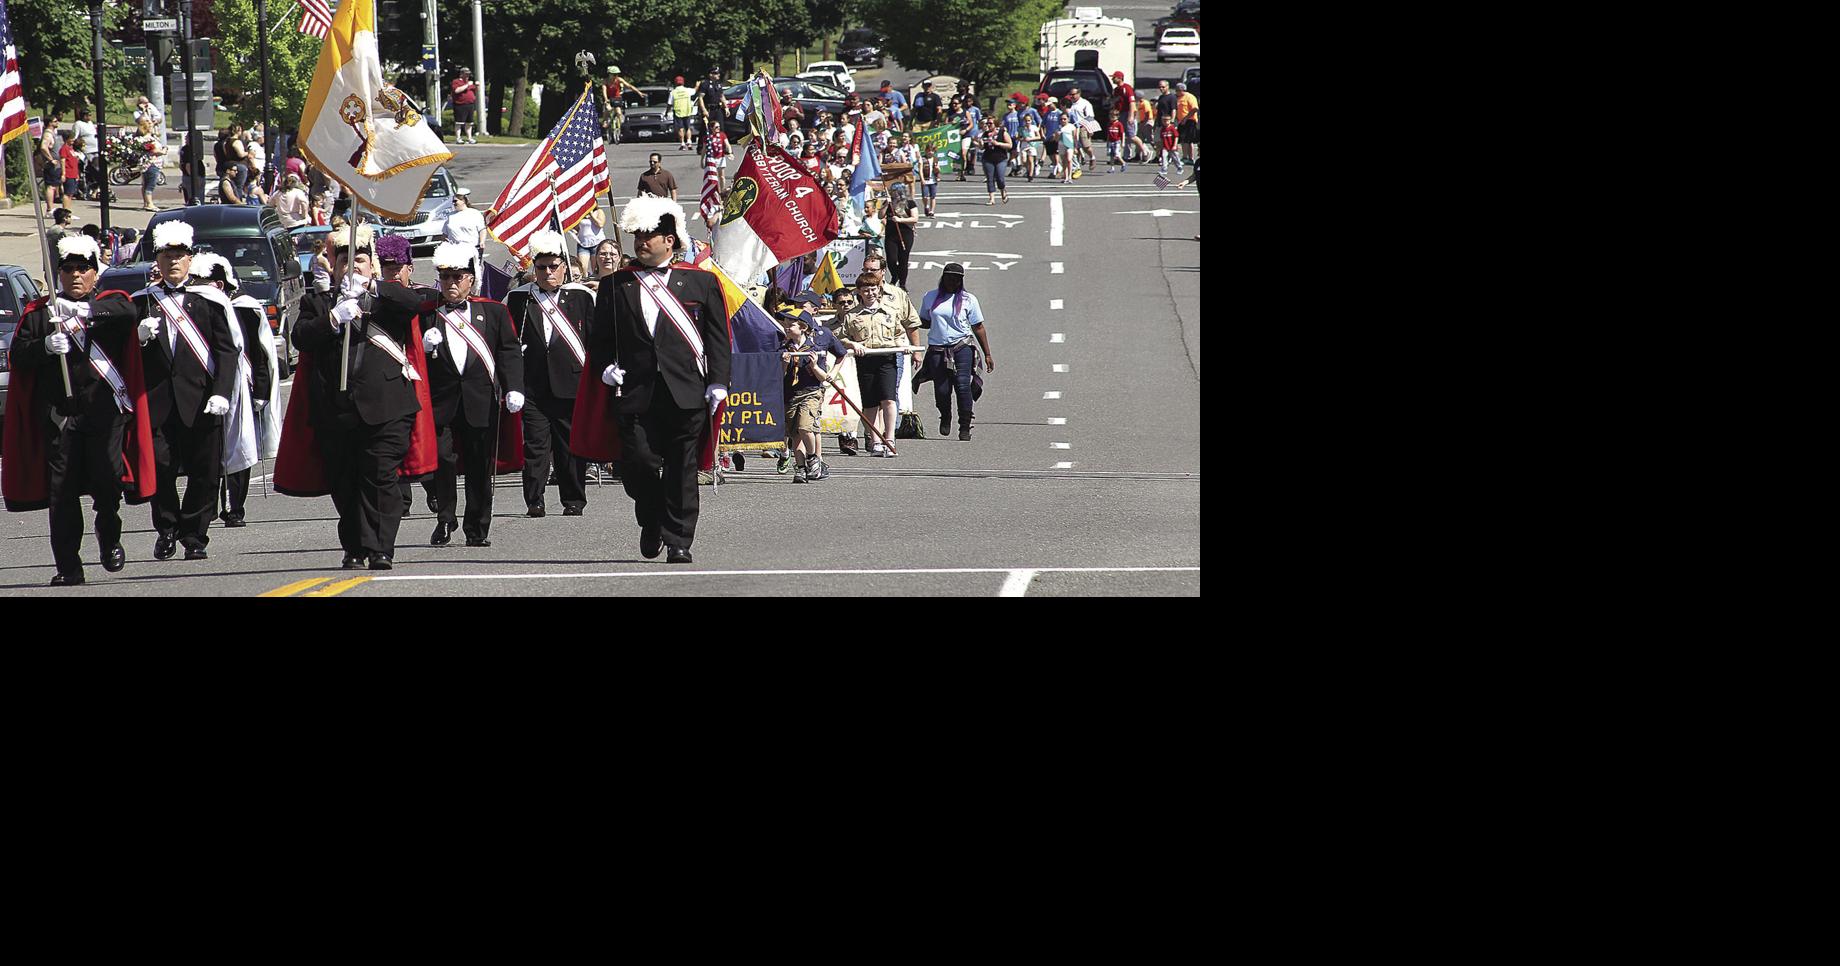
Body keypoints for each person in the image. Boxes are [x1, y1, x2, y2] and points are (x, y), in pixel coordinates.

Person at [575, 195, 731, 564]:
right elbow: (600, 342)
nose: (642, 242)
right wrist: (605, 368)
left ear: (670, 240)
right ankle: (651, 517)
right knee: (637, 463)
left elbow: (718, 338)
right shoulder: (616, 286)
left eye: (650, 235)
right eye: (638, 235)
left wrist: (718, 380)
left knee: (681, 468)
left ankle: (679, 539)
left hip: (686, 390)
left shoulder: (701, 283)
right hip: (635, 391)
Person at [0, 235, 155, 585]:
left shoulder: (109, 305)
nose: (74, 275)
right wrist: (43, 346)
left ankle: (109, 536)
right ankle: (68, 566)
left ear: (94, 274)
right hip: (60, 414)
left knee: (107, 483)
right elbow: (20, 356)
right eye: (67, 269)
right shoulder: (42, 314)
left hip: (104, 412)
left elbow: (126, 312)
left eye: (82, 269)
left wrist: (82, 312)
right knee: (63, 493)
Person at [281, 225, 438, 569]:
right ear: (333, 268)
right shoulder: (317, 302)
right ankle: (354, 546)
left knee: (380, 477)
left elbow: (417, 304)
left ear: (372, 266)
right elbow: (302, 337)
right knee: (345, 482)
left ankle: (381, 547)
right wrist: (333, 319)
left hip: (387, 407)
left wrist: (372, 288)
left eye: (361, 261)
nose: (352, 268)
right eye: (344, 263)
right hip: (335, 409)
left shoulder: (388, 300)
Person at [132, 221, 240, 562]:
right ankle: (166, 527)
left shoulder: (208, 300)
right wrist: (139, 339)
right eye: (167, 256)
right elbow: (123, 356)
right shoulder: (143, 302)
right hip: (159, 401)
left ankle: (195, 535)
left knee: (204, 472)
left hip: (201, 399)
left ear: (190, 260)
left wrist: (222, 392)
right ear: (158, 261)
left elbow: (227, 350)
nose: (173, 262)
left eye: (179, 256)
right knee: (161, 467)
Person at [422, 243, 524, 547]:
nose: (451, 283)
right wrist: (425, 347)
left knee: (480, 467)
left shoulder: (493, 311)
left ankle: (477, 528)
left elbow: (508, 351)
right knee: (442, 460)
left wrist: (514, 387)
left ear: (471, 279)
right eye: (445, 277)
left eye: (457, 276)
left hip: (480, 400)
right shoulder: (428, 315)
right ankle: (445, 518)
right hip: (442, 402)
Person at [505, 230, 592, 517]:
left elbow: (593, 340)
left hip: (571, 381)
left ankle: (573, 499)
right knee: (536, 446)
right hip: (533, 385)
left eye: (553, 266)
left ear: (564, 267)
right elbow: (507, 342)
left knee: (570, 446)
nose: (547, 272)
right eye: (541, 267)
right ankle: (535, 500)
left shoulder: (581, 297)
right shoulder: (518, 299)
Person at [190, 254, 275, 529]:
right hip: (208, 387)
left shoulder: (245, 308)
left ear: (218, 284)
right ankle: (208, 506)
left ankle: (235, 507)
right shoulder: (193, 306)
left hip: (243, 386)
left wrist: (261, 390)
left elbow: (260, 353)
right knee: (210, 450)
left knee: (240, 446)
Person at [836, 271, 922, 456]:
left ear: (879, 290)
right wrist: (853, 344)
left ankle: (889, 439)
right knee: (870, 403)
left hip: (886, 359)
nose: (870, 293)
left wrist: (904, 345)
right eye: (865, 290)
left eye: (873, 289)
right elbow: (841, 338)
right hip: (866, 360)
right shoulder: (852, 316)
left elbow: (899, 334)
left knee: (889, 399)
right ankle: (875, 441)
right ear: (859, 292)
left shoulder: (890, 313)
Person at [914, 262, 994, 440]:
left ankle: (965, 425)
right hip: (937, 348)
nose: (952, 281)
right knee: (942, 389)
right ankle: (945, 416)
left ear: (961, 281)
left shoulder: (968, 299)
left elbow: (978, 327)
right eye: (949, 277)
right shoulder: (930, 297)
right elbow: (925, 321)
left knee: (962, 385)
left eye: (957, 279)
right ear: (943, 277)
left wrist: (987, 354)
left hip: (962, 346)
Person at [777, 307, 847, 482]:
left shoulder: (814, 347)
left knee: (805, 426)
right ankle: (800, 467)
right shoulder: (784, 347)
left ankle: (813, 458)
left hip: (811, 392)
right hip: (790, 393)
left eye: (790, 324)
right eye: (785, 324)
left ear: (802, 327)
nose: (786, 327)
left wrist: (816, 366)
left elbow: (828, 371)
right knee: (795, 433)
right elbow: (779, 377)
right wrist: (784, 364)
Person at [440, 188, 487, 276]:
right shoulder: (451, 216)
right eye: (453, 201)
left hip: (472, 249)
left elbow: (482, 229)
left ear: (463, 201)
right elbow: (444, 234)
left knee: (471, 273)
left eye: (455, 201)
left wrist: (482, 241)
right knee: (457, 273)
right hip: (455, 249)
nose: (454, 203)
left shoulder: (474, 214)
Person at [882, 184, 919, 288]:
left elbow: (914, 218)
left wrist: (900, 220)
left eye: (894, 191)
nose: (893, 193)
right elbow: (880, 215)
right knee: (891, 259)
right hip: (891, 235)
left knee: (903, 260)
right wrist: (886, 204)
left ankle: (902, 283)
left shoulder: (910, 203)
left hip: (905, 234)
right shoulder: (888, 203)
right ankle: (895, 276)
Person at [979, 118, 1013, 205]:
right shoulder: (985, 134)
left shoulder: (1002, 133)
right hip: (988, 158)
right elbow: (982, 147)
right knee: (990, 178)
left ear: (996, 124)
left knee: (1000, 178)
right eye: (987, 123)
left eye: (990, 123)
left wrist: (998, 144)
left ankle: (1003, 191)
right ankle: (991, 199)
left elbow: (1009, 145)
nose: (988, 125)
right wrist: (980, 143)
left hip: (1000, 158)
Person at [137, 119, 167, 212]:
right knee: (150, 184)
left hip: (149, 164)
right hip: (151, 163)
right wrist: (163, 151)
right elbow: (153, 150)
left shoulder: (149, 137)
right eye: (150, 125)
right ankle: (149, 203)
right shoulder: (147, 138)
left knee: (145, 184)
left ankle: (146, 203)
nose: (152, 126)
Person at [1063, 88, 1096, 171]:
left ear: (1079, 94)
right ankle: (1076, 166)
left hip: (1082, 127)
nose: (1072, 96)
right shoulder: (1069, 103)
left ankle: (1092, 157)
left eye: (1073, 94)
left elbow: (1090, 116)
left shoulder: (1085, 103)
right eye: (1070, 94)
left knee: (1086, 146)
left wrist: (1090, 128)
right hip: (1071, 128)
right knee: (1074, 147)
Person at [572, 207, 607, 279]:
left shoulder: (598, 211)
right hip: (583, 243)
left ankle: (598, 282)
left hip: (596, 243)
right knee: (582, 267)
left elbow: (600, 224)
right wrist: (574, 230)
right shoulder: (580, 213)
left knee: (596, 268)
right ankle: (585, 280)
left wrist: (591, 215)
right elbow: (576, 226)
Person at [1174, 82, 1200, 167]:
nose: (1176, 92)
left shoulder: (1189, 97)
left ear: (1182, 90)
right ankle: (1187, 157)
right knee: (1184, 140)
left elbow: (1195, 108)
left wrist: (1186, 118)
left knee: (1187, 140)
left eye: (1177, 91)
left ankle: (1188, 157)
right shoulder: (1178, 98)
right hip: (1181, 121)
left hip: (1189, 121)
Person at [451, 67, 479, 144]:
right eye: (466, 74)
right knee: (459, 123)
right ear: (461, 74)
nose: (467, 76)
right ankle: (458, 138)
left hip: (470, 105)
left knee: (469, 123)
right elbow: (457, 90)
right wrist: (467, 85)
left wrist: (476, 86)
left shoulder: (469, 82)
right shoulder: (456, 81)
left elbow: (474, 92)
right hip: (460, 105)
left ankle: (469, 138)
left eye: (468, 74)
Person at [670, 75, 696, 151]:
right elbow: (694, 91)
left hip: (678, 112)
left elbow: (669, 103)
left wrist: (667, 112)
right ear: (683, 82)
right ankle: (689, 142)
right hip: (687, 111)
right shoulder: (687, 90)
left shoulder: (673, 92)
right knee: (688, 127)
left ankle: (682, 143)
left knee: (680, 128)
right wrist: (697, 86)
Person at [917, 145, 940, 217]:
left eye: (932, 151)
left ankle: (932, 211)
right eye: (929, 150)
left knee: (933, 196)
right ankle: (926, 206)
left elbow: (939, 170)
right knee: (925, 196)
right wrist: (922, 179)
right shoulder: (922, 159)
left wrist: (937, 169)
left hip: (933, 180)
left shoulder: (935, 159)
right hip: (926, 180)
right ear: (926, 151)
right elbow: (920, 170)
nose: (930, 152)